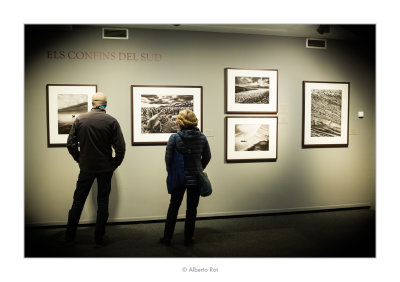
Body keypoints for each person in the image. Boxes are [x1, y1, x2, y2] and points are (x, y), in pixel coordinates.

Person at [65, 92, 126, 246]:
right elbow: (121, 148)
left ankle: (70, 236)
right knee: (103, 201)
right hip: (105, 168)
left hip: (86, 167)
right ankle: (99, 237)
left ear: (92, 103)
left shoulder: (80, 119)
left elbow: (71, 144)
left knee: (78, 201)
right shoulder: (111, 121)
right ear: (105, 104)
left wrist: (79, 159)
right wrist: (114, 164)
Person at [160, 109, 211, 246]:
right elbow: (207, 157)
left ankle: (167, 238)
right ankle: (188, 239)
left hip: (179, 178)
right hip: (195, 178)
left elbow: (168, 159)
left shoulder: (174, 138)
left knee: (174, 207)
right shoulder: (202, 137)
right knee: (191, 210)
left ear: (180, 122)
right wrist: (199, 168)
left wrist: (171, 172)